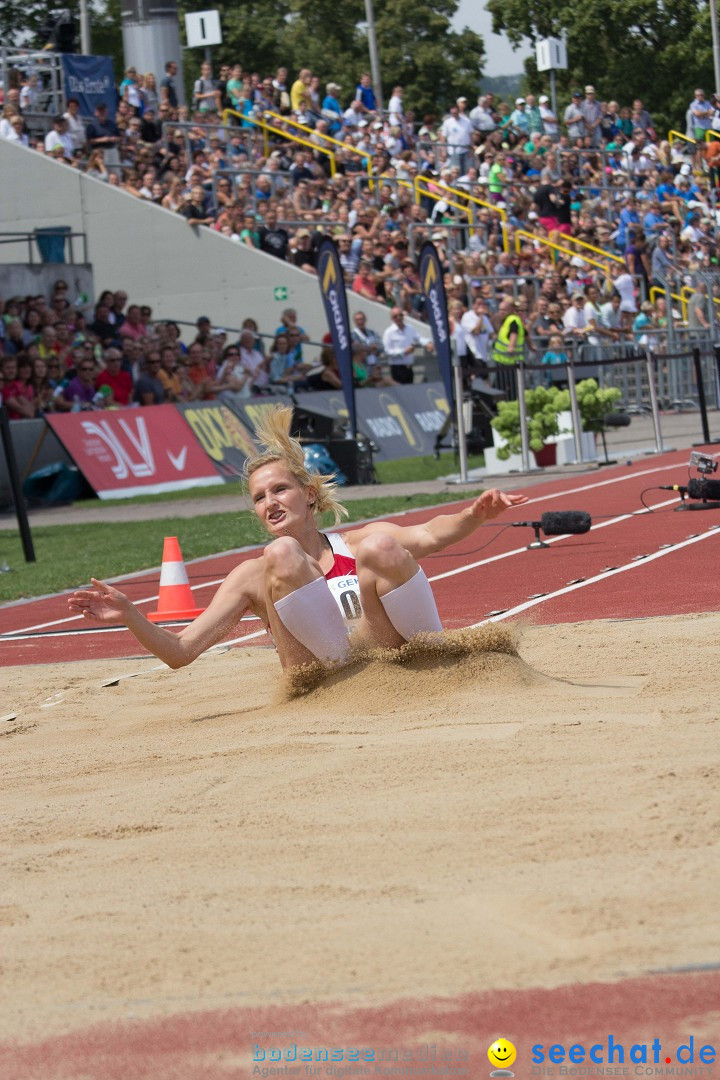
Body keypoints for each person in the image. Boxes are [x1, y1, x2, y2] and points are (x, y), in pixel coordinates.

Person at [68, 405, 528, 670]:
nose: (269, 502)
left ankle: (440, 657)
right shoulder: (253, 575)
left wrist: (473, 514)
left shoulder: (358, 543)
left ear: (309, 496)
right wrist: (129, 615)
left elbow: (429, 534)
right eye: (259, 497)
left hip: (391, 665)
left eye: (280, 489)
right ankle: (343, 675)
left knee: (384, 545)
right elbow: (182, 652)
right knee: (283, 554)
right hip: (322, 686)